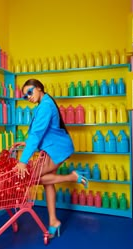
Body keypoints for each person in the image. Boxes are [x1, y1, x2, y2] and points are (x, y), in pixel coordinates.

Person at [15, 79, 88, 238]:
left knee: (33, 178)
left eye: (30, 92)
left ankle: (72, 176)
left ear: (39, 88)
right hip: (52, 148)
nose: (28, 97)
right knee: (48, 183)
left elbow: (37, 134)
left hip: (57, 148)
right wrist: (27, 143)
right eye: (25, 96)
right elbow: (41, 133)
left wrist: (22, 161)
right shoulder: (43, 104)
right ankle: (54, 221)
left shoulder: (45, 106)